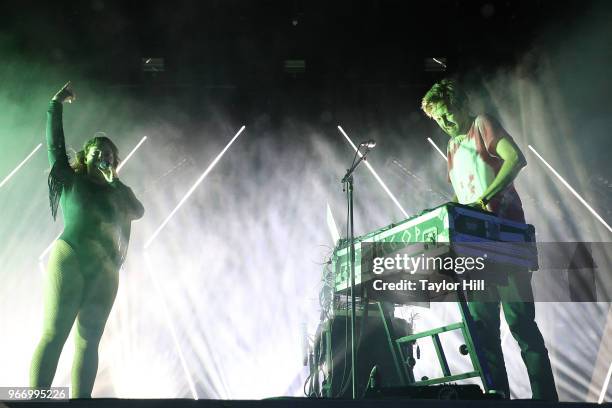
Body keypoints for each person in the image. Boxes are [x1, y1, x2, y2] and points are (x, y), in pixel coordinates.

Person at [421, 79, 558, 400]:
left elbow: (515, 159)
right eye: (437, 120)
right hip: (475, 249)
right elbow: (464, 192)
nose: (444, 124)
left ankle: (545, 400)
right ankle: (496, 397)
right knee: (484, 334)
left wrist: (484, 200)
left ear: (461, 104)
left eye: (447, 114)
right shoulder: (452, 147)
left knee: (521, 324)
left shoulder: (482, 124)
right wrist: (451, 209)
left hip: (506, 241)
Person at [30, 82, 144, 398]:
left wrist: (115, 181)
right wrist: (55, 104)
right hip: (71, 256)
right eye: (98, 152)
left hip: (105, 268)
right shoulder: (70, 180)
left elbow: (138, 211)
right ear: (86, 155)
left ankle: (81, 403)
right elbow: (54, 145)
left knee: (89, 338)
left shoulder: (118, 193)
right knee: (55, 333)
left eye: (109, 154)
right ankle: (36, 400)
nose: (104, 157)